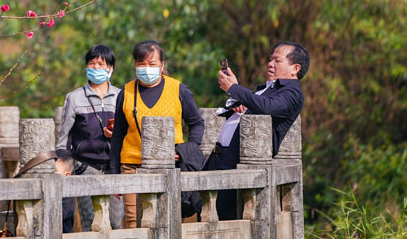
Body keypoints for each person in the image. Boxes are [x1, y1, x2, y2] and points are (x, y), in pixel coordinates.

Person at [205, 42, 309, 220]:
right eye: (271, 59)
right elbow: (256, 105)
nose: (270, 64)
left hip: (239, 165)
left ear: (295, 68)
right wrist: (238, 100)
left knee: (224, 220)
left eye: (277, 60)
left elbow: (267, 108)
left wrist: (235, 88)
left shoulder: (292, 93)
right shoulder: (268, 89)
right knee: (200, 209)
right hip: (220, 157)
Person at [109, 40, 204, 229]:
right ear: (135, 64)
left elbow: (197, 123)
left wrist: (187, 150)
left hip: (169, 166)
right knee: (133, 222)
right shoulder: (126, 92)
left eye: (152, 64)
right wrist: (114, 174)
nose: (146, 68)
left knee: (166, 220)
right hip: (131, 166)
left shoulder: (179, 90)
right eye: (141, 64)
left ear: (162, 65)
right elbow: (118, 135)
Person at [56, 45, 123, 231]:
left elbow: (129, 133)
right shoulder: (75, 98)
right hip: (86, 168)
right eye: (91, 64)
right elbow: (64, 137)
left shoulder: (121, 96)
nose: (95, 68)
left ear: (110, 69)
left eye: (100, 64)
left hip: (114, 168)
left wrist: (116, 134)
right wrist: (63, 163)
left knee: (116, 222)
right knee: (91, 223)